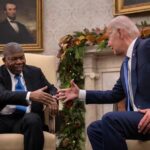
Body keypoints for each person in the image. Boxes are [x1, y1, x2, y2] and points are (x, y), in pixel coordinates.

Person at [57, 15, 150, 150]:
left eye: (109, 38)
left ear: (120, 32)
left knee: (110, 119)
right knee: (95, 129)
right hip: (139, 122)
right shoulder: (126, 64)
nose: (108, 44)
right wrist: (80, 94)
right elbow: (114, 95)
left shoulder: (146, 46)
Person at [0, 42, 58, 150]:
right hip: (2, 120)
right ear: (5, 60)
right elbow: (2, 95)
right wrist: (29, 95)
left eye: (22, 58)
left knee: (33, 119)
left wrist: (53, 99)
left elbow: (51, 89)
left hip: (26, 119)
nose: (19, 62)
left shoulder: (35, 72)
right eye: (14, 59)